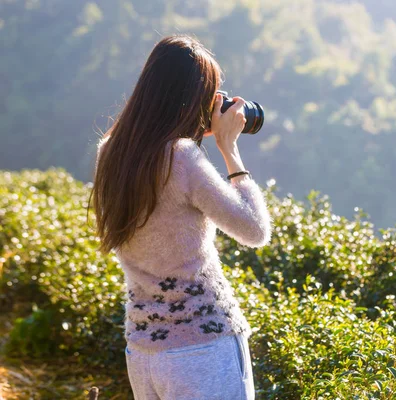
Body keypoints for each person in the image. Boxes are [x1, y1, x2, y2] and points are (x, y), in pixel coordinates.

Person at [89, 34, 272, 400]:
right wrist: (229, 148)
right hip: (204, 347)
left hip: (143, 351)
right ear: (195, 97)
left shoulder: (110, 150)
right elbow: (255, 231)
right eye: (212, 94)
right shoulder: (182, 157)